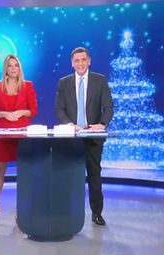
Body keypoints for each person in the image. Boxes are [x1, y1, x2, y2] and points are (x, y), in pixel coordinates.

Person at [55, 47, 114, 226]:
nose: (80, 63)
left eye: (83, 60)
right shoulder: (64, 82)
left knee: (94, 175)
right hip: (71, 137)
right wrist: (68, 124)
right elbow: (59, 109)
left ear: (89, 61)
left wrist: (102, 124)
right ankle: (66, 213)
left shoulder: (100, 80)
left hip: (93, 137)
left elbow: (108, 107)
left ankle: (97, 213)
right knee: (69, 176)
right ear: (72, 63)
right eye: (77, 60)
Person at [0, 54, 38, 225]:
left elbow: (33, 110)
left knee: (23, 171)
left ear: (19, 68)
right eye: (10, 65)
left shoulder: (28, 86)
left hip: (22, 133)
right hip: (3, 133)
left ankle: (21, 210)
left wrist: (22, 112)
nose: (13, 68)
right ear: (5, 69)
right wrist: (4, 114)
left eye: (16, 65)